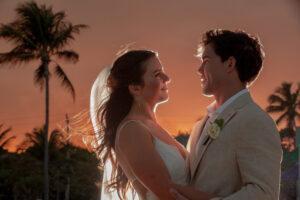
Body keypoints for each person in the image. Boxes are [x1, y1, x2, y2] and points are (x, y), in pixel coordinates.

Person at [171, 29, 283, 200]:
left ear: (230, 64)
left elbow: (263, 193)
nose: (199, 69)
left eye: (206, 61)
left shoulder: (255, 121)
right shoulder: (200, 125)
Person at [90, 50, 188, 200]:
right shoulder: (131, 130)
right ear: (135, 88)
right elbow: (168, 194)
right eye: (157, 74)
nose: (167, 78)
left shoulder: (149, 125)